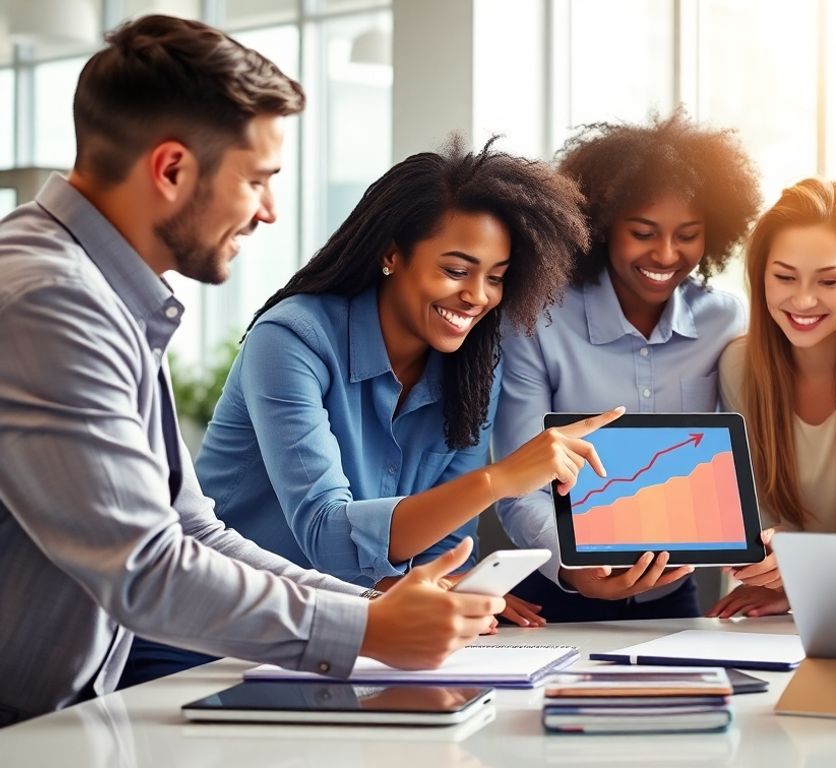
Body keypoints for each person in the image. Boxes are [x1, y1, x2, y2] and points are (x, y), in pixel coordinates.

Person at [0, 16, 502, 725]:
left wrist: (368, 606)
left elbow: (192, 530)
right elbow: (145, 571)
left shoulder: (110, 296)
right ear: (172, 170)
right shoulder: (50, 301)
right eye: (258, 180)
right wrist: (365, 632)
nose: (269, 211)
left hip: (62, 717)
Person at [121, 139, 620, 685]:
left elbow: (442, 549)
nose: (477, 296)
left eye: (496, 277)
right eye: (456, 270)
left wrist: (451, 595)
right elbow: (327, 536)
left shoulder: (473, 365)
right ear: (391, 254)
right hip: (213, 643)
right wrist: (500, 479)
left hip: (351, 642)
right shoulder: (291, 339)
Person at [493, 109, 763, 621]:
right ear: (602, 228)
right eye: (643, 232)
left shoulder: (727, 320)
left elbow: (744, 464)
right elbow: (518, 482)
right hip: (556, 593)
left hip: (676, 594)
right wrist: (576, 571)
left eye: (688, 234)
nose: (666, 253)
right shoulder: (538, 321)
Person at [705, 178, 836, 619]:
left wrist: (808, 578)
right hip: (778, 608)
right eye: (784, 277)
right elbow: (759, 520)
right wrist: (781, 573)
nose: (803, 299)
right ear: (761, 274)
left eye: (828, 281)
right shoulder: (739, 366)